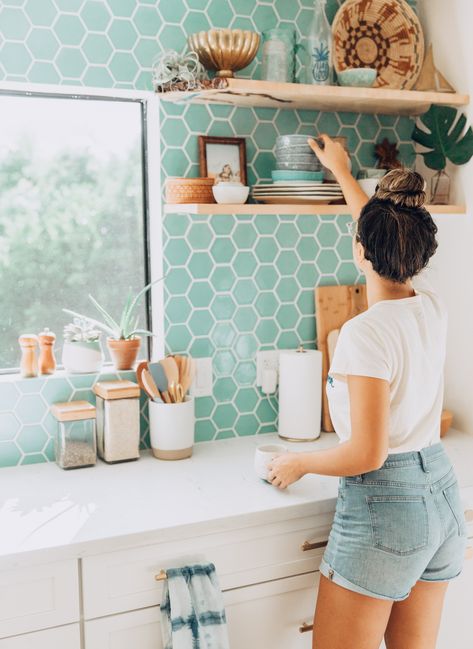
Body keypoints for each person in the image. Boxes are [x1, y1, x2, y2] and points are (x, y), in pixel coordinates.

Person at [267, 135, 468, 649]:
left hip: (388, 506)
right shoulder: (430, 306)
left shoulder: (362, 333)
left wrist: (299, 462)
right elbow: (381, 233)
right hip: (442, 496)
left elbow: (367, 453)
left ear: (360, 249)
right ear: (418, 254)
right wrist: (341, 172)